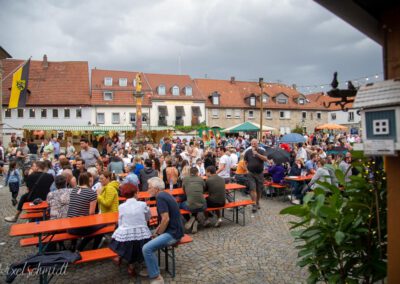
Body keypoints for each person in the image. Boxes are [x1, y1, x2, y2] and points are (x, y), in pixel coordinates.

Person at [141, 177, 184, 283]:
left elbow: (166, 219)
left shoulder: (160, 197)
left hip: (173, 233)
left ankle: (157, 277)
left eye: (149, 187)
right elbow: (164, 220)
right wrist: (156, 231)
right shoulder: (164, 194)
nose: (147, 190)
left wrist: (158, 234)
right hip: (174, 230)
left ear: (156, 189)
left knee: (146, 249)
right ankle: (152, 266)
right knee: (145, 236)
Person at [109, 183, 152, 276]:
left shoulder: (121, 207)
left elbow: (120, 223)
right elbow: (148, 217)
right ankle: (131, 266)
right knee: (137, 243)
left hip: (127, 236)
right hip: (142, 235)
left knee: (124, 237)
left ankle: (120, 256)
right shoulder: (142, 204)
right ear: (136, 193)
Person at [68, 172, 104, 251]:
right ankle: (92, 248)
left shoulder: (73, 190)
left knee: (77, 218)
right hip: (81, 228)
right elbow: (91, 213)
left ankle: (73, 245)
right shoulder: (91, 193)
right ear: (90, 180)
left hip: (70, 226)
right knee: (103, 227)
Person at [244, 139, 269, 213]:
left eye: (255, 143)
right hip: (251, 173)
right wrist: (246, 170)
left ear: (258, 144)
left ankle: (257, 202)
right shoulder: (248, 152)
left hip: (260, 173)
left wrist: (257, 154)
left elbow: (265, 159)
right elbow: (245, 162)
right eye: (252, 143)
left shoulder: (262, 151)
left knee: (259, 189)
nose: (253, 144)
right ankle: (254, 204)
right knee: (252, 189)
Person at [181, 167, 206, 234]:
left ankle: (190, 219)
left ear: (189, 172)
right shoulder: (201, 179)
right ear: (197, 173)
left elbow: (184, 191)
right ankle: (195, 220)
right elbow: (203, 189)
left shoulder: (185, 179)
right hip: (203, 206)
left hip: (191, 205)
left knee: (181, 204)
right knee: (196, 202)